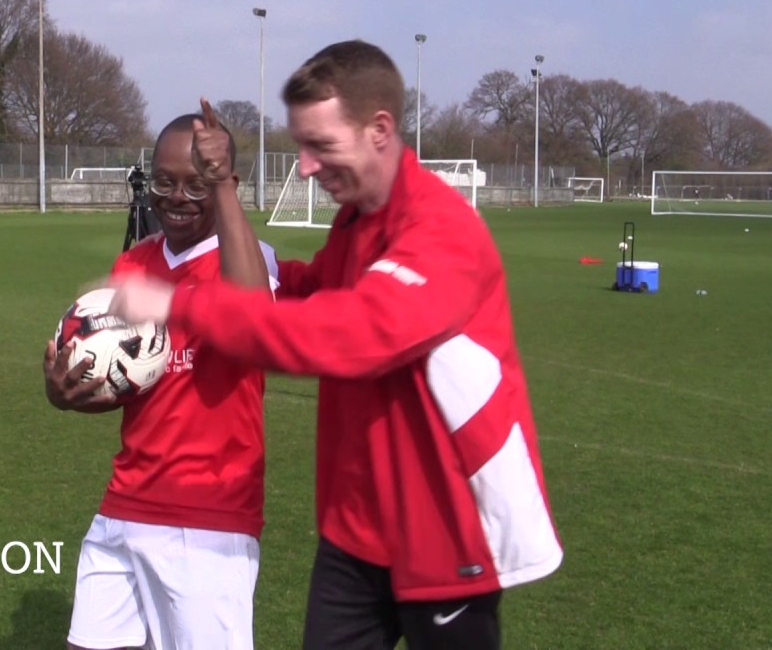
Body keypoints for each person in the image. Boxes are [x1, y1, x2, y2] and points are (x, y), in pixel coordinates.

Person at [110, 40, 563, 650]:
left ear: (379, 130)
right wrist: (262, 268)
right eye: (301, 145)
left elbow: (351, 334)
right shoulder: (356, 220)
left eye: (320, 146)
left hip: (446, 532)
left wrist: (179, 301)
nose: (305, 166)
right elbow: (313, 287)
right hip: (354, 531)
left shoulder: (441, 231)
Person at [46, 102, 277, 650]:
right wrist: (67, 392)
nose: (177, 198)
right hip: (126, 502)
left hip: (208, 518)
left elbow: (252, 317)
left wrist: (221, 188)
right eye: (166, 182)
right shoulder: (134, 264)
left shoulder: (248, 258)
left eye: (197, 185)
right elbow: (125, 381)